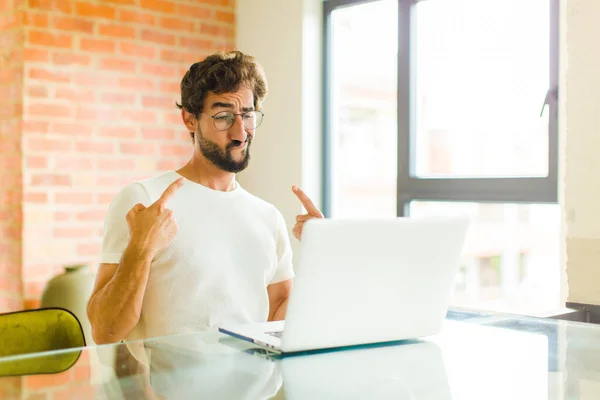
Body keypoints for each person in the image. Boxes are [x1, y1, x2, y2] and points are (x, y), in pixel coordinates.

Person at [87, 50, 324, 344]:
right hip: (170, 390)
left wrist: (320, 257)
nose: (241, 133)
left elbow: (278, 318)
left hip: (254, 389)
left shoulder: (268, 216)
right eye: (224, 116)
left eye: (247, 115)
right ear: (189, 119)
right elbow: (105, 331)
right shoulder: (145, 201)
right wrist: (141, 249)